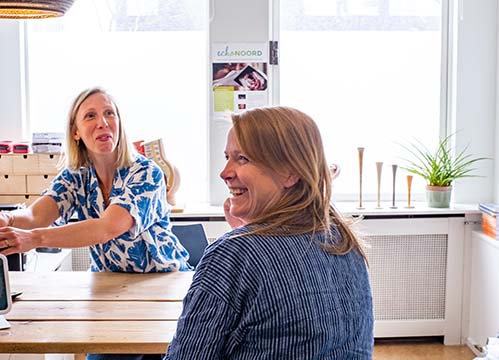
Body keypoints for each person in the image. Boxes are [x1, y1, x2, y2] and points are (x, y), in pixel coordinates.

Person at [165, 106, 374, 359]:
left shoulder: (234, 255)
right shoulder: (343, 240)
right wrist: (247, 231)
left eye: (242, 158)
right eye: (227, 157)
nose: (225, 173)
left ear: (289, 172)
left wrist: (242, 240)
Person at [0, 87, 191, 360]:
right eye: (90, 116)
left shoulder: (146, 173)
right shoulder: (76, 175)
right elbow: (35, 217)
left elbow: (108, 227)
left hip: (163, 287)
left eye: (109, 113)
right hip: (111, 288)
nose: (102, 122)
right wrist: (6, 218)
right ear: (76, 131)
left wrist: (35, 239)